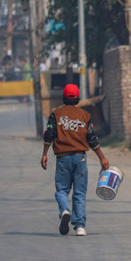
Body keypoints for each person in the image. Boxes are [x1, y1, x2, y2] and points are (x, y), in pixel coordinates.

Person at [41, 84, 109, 236]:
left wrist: (45, 154)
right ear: (78, 98)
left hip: (63, 158)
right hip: (80, 159)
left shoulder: (56, 114)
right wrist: (102, 157)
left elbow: (49, 134)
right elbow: (91, 138)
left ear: (64, 98)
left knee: (62, 190)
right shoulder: (85, 115)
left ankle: (65, 210)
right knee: (79, 192)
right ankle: (80, 227)